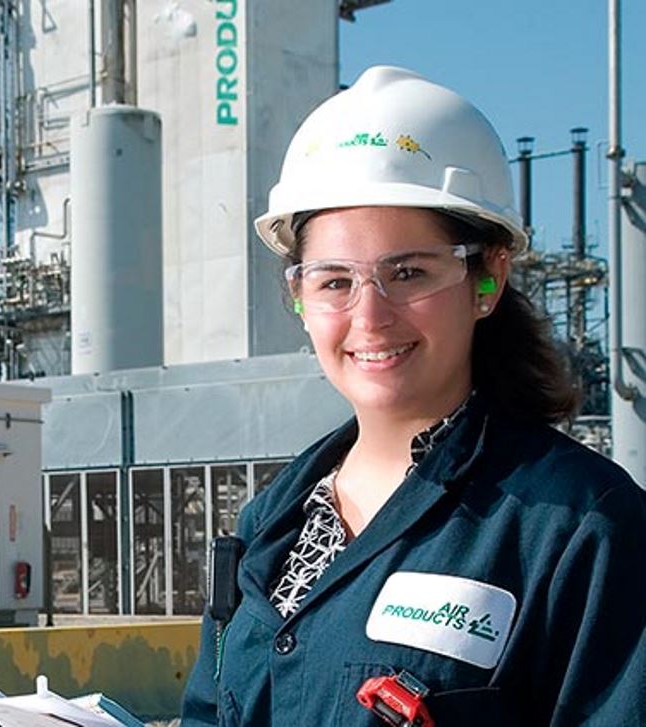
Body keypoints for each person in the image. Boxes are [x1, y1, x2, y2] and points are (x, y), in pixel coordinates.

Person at [180, 66, 646, 726]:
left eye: (407, 273)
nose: (368, 317)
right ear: (298, 296)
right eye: (333, 281)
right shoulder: (269, 527)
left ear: (486, 279)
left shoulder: (577, 527)